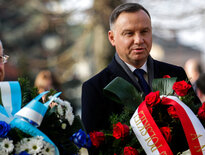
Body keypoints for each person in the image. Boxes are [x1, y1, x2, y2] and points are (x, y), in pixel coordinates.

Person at [81, 3, 192, 153]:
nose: (139, 40)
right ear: (112, 38)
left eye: (144, 31)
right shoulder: (95, 88)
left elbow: (196, 127)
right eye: (129, 33)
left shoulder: (176, 75)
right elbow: (97, 148)